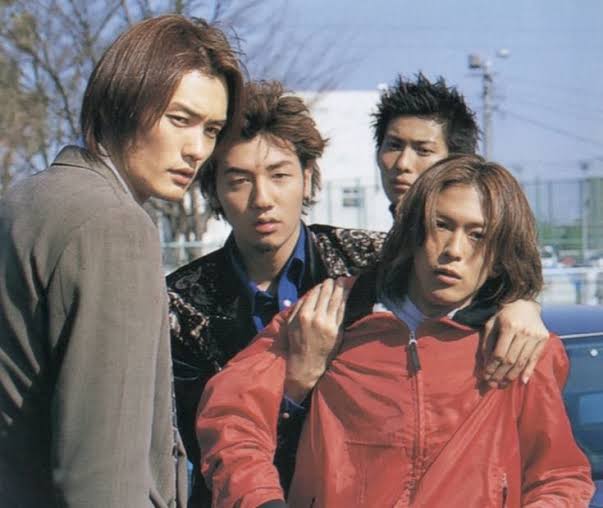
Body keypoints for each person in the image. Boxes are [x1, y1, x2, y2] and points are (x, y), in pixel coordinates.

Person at [196, 155, 595, 507]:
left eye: (478, 235)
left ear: (500, 252)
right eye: (441, 225)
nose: (454, 250)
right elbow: (232, 417)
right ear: (414, 231)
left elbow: (558, 477)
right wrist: (261, 502)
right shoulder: (332, 313)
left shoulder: (518, 347)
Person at [0, 15, 243, 507]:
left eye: (212, 129)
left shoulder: (24, 200)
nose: (197, 149)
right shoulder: (116, 227)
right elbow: (102, 479)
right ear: (124, 100)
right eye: (180, 119)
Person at [167, 80, 386, 506]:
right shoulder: (181, 305)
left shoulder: (368, 262)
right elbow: (208, 452)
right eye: (239, 180)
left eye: (279, 175)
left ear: (307, 177)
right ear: (214, 191)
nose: (262, 199)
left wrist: (517, 302)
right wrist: (295, 385)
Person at [373, 73, 549, 385]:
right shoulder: (359, 255)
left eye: (423, 150)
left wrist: (523, 304)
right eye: (394, 145)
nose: (402, 163)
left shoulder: (500, 320)